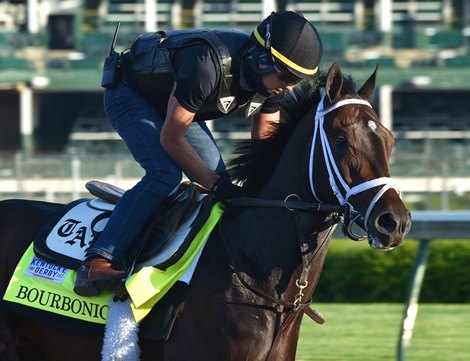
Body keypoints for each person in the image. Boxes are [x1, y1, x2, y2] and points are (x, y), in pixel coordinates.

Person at [74, 10, 323, 296]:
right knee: (165, 173)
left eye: (297, 80)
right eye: (288, 75)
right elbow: (170, 138)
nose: (290, 86)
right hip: (130, 93)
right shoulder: (207, 65)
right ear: (261, 59)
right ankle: (100, 259)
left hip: (174, 105)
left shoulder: (272, 82)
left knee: (218, 182)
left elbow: (265, 149)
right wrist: (217, 185)